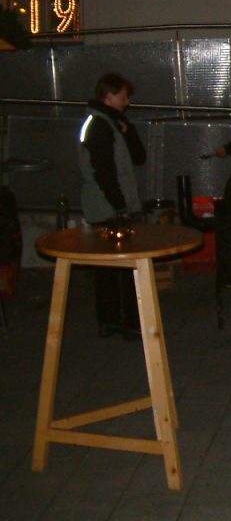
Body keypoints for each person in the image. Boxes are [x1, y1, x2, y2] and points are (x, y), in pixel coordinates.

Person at [79, 73, 146, 339]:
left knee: (108, 264)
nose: (127, 102)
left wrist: (129, 133)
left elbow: (138, 157)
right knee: (122, 264)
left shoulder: (112, 123)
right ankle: (127, 321)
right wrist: (120, 206)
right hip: (107, 204)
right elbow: (104, 171)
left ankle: (111, 321)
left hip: (108, 202)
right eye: (123, 96)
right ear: (109, 96)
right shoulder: (100, 125)